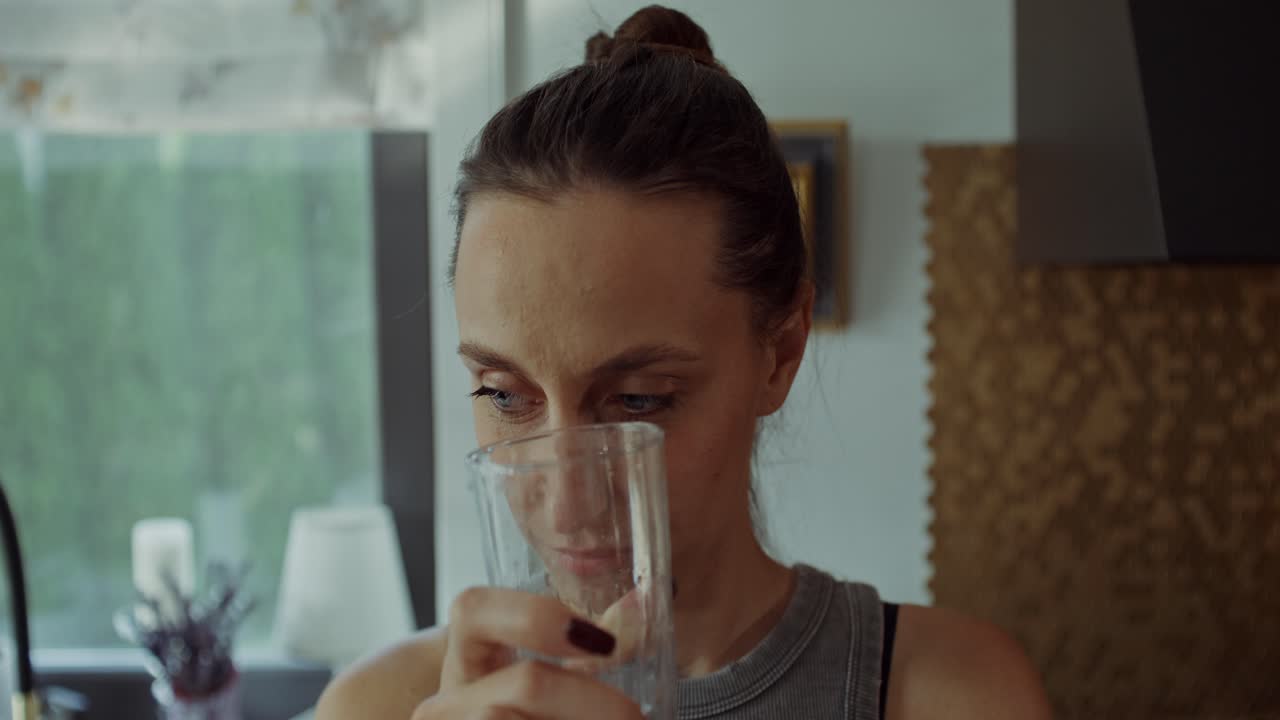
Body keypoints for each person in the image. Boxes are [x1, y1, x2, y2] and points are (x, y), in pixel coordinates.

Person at [317, 6, 1051, 719]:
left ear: (781, 351)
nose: (567, 504)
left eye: (640, 399)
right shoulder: (386, 706)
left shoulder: (949, 693)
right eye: (505, 396)